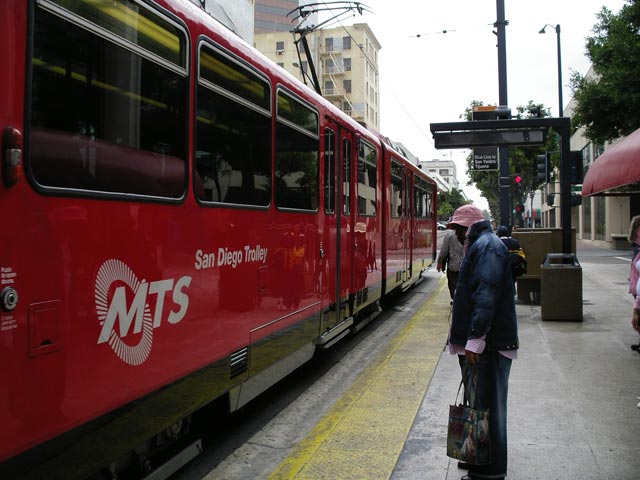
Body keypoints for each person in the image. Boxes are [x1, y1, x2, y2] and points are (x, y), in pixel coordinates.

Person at [447, 204, 519, 480]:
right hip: (482, 344)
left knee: (490, 407)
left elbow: (485, 296)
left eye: (459, 228)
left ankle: (490, 471)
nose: (457, 233)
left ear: (469, 227)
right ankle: (477, 458)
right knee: (479, 404)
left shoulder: (486, 247)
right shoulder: (481, 244)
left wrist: (476, 339)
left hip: (488, 345)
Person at [437, 226, 464, 301]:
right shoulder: (470, 233)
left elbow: (444, 250)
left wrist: (440, 262)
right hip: (466, 265)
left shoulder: (449, 234)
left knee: (453, 284)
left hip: (454, 265)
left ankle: (455, 299)